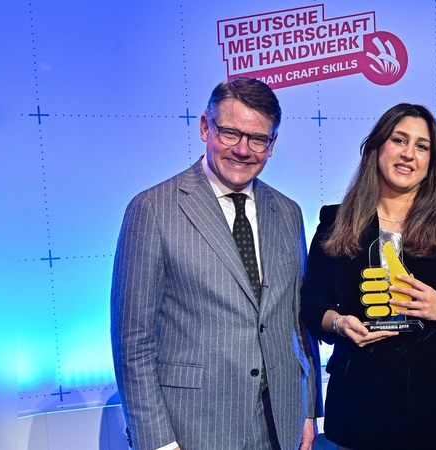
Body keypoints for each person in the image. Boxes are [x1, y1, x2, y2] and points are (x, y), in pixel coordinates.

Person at [111, 78, 321, 450]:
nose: (243, 150)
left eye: (258, 139)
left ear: (272, 145)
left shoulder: (289, 212)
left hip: (282, 424)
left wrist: (307, 410)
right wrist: (158, 442)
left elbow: (296, 320)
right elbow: (133, 343)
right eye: (230, 133)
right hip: (195, 428)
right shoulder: (152, 210)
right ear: (206, 127)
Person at [300, 103, 436, 450]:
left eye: (422, 146)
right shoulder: (334, 223)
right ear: (377, 148)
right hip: (357, 408)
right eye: (399, 140)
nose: (409, 154)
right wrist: (340, 323)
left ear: (431, 162)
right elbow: (314, 308)